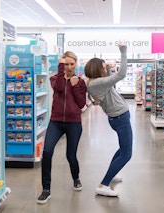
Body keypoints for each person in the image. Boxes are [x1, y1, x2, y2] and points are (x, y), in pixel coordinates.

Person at [37, 51, 87, 204]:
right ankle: (46, 189)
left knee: (70, 155)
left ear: (76, 64)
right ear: (62, 65)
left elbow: (81, 104)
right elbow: (58, 88)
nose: (69, 67)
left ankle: (76, 178)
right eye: (66, 64)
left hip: (74, 123)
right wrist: (60, 68)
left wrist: (75, 87)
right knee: (47, 152)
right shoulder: (54, 78)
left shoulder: (80, 82)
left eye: (72, 64)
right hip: (56, 122)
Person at [84, 44, 132, 197]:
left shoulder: (94, 82)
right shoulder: (97, 83)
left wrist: (110, 70)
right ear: (97, 69)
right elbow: (122, 74)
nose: (105, 70)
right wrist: (123, 51)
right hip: (120, 118)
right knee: (126, 154)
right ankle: (103, 184)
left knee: (122, 150)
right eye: (103, 68)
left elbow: (110, 87)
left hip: (118, 117)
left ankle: (111, 175)